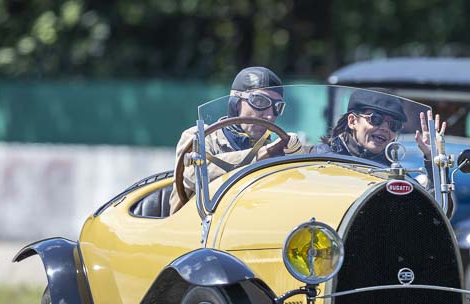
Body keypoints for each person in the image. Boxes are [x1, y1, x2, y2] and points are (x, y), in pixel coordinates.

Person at [169, 66, 302, 214]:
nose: (270, 115)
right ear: (236, 102)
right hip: (193, 230)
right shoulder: (199, 137)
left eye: (277, 107)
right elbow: (193, 175)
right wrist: (258, 156)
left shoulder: (273, 150)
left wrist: (297, 158)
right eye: (259, 101)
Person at [314, 89, 445, 172]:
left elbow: (432, 211)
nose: (385, 128)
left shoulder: (391, 172)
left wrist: (433, 161)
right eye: (375, 119)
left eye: (393, 125)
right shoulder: (319, 158)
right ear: (352, 121)